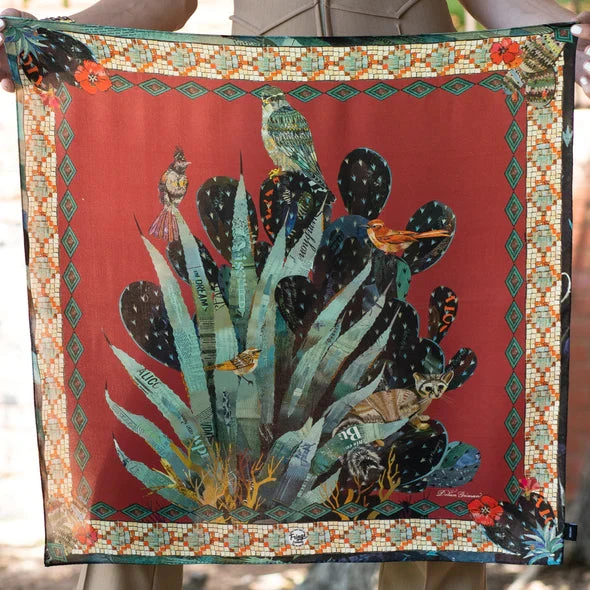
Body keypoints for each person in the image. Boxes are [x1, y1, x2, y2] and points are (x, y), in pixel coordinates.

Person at [0, 1, 588, 589]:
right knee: (151, 462)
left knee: (418, 450)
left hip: (419, 113)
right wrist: (54, 42)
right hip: (253, 113)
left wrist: (572, 35)